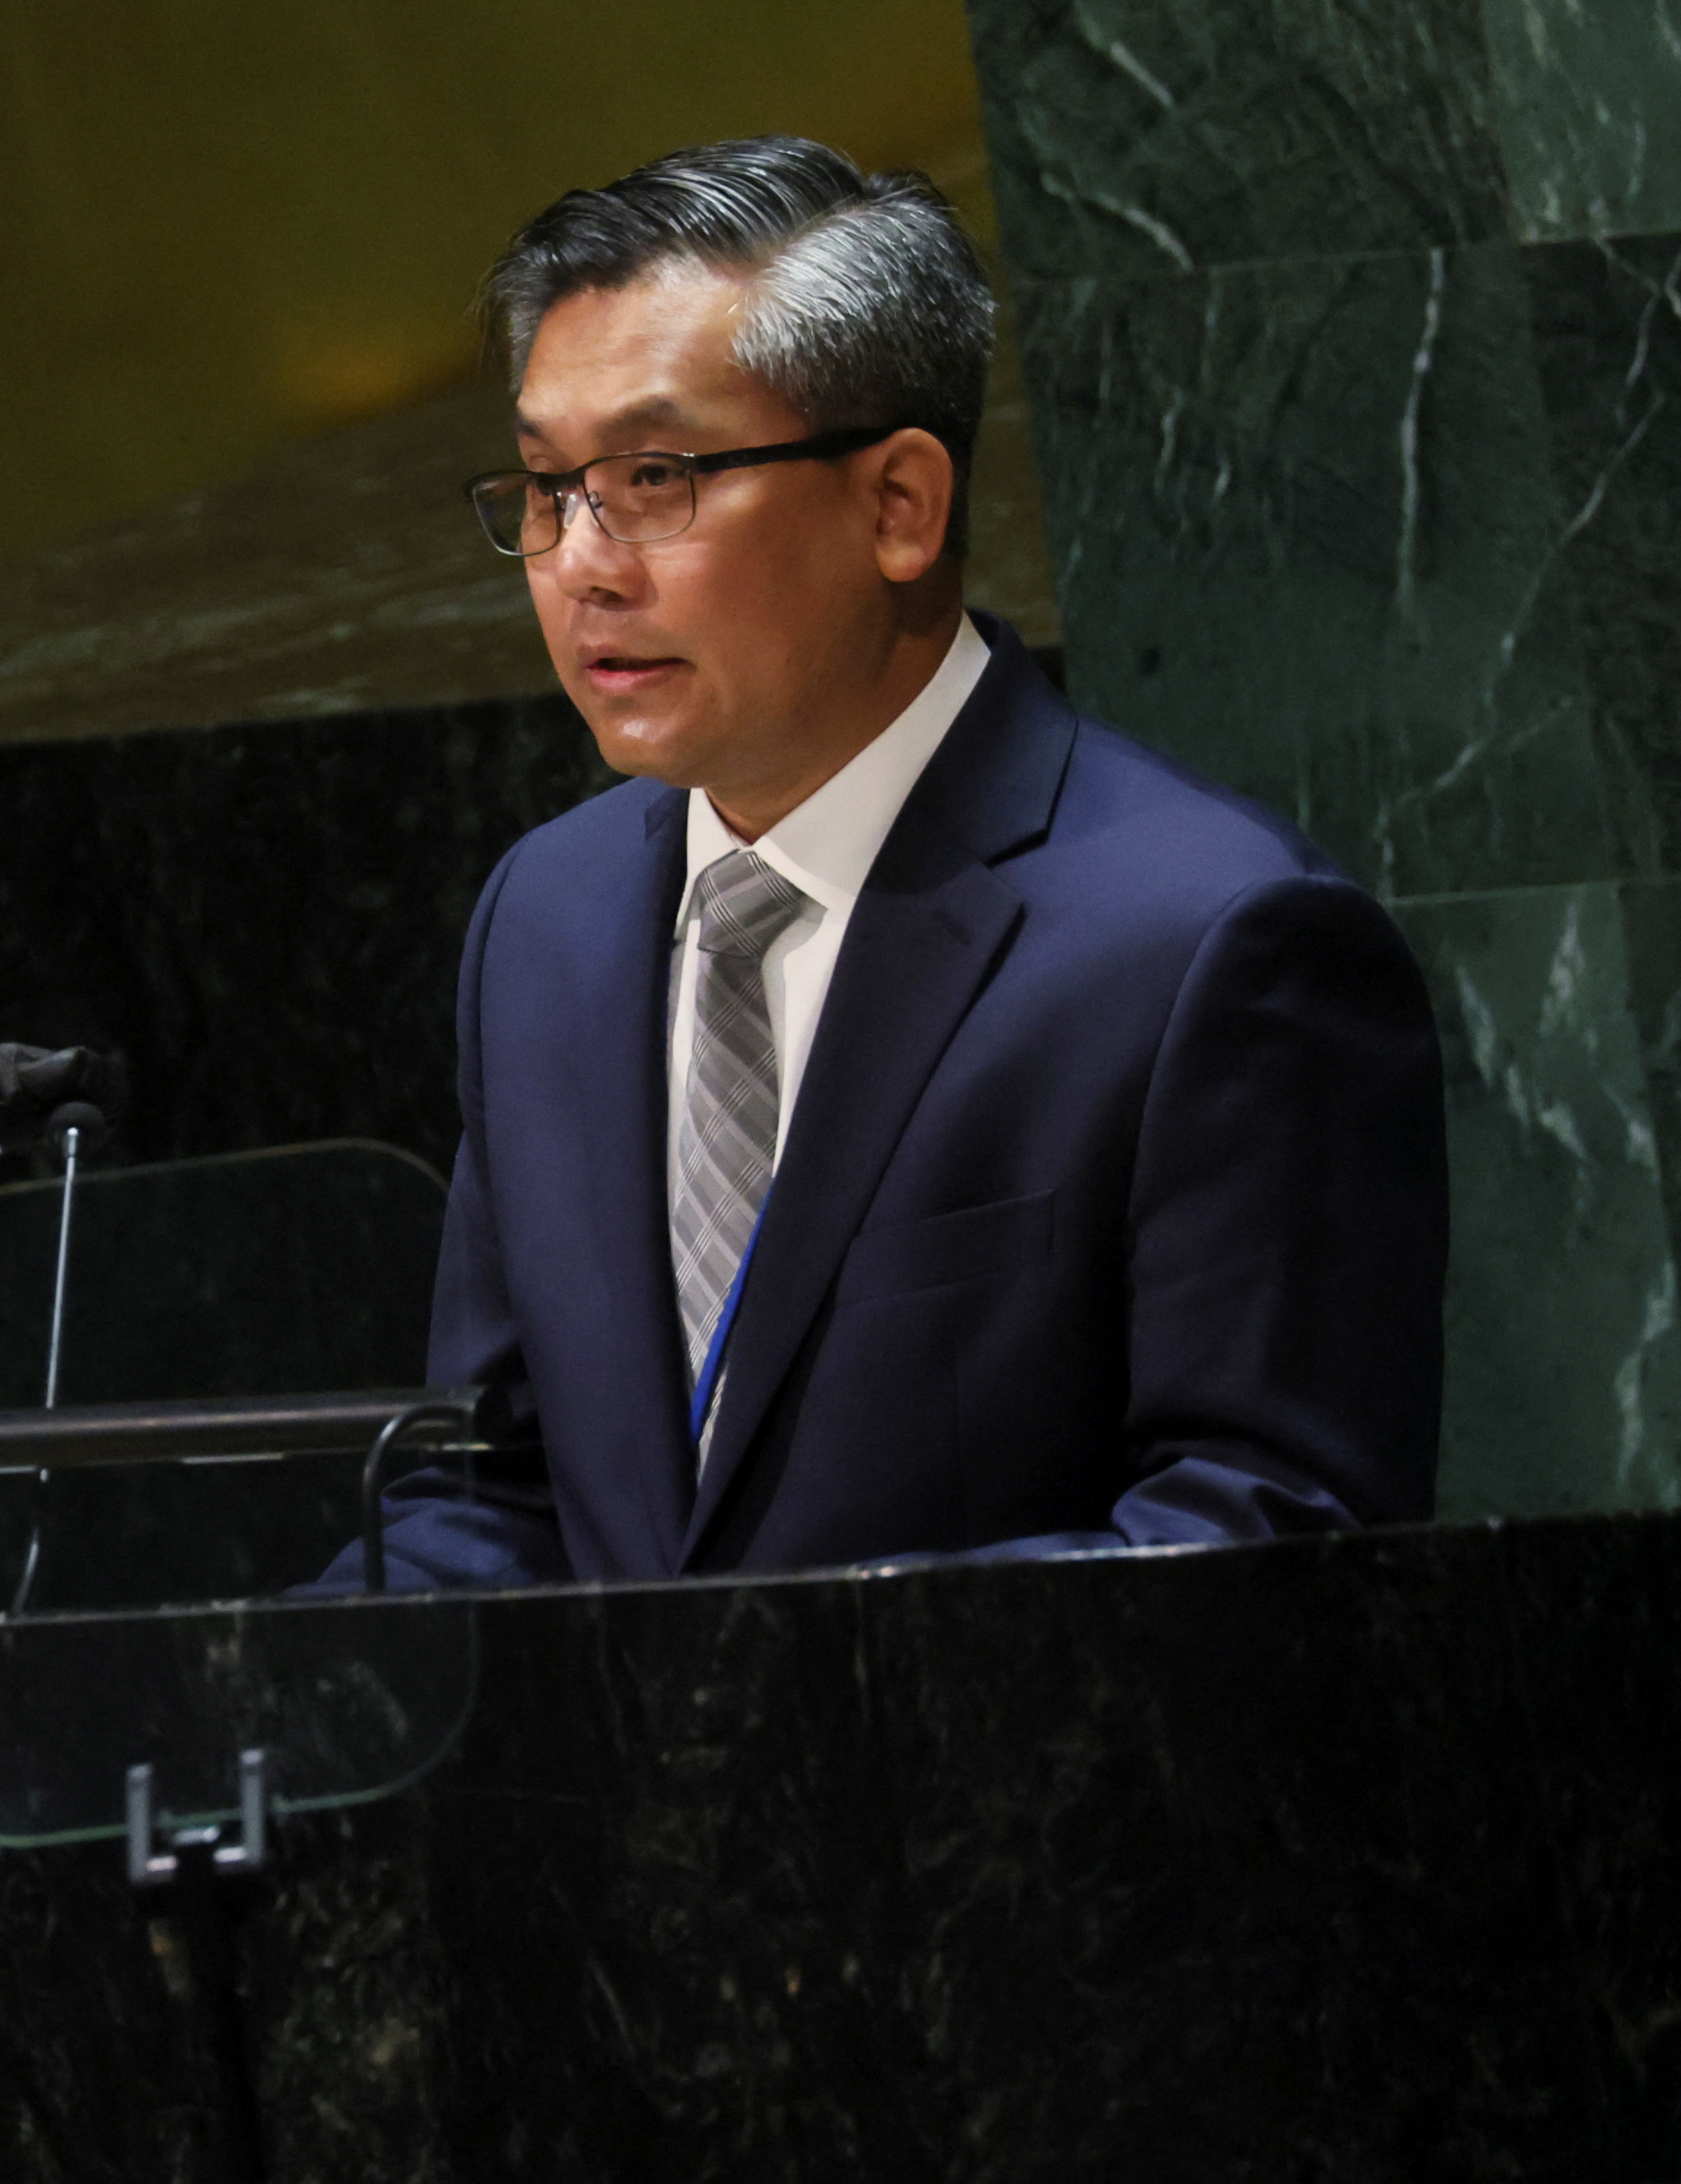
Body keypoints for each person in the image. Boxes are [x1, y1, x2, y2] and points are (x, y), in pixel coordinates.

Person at [335, 136, 1446, 1587]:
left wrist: (834, 1712)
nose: (581, 563)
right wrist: (247, 1691)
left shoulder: (1207, 940)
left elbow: (1270, 1531)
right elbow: (495, 1491)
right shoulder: (544, 916)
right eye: (547, 487)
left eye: (655, 475)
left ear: (898, 506)